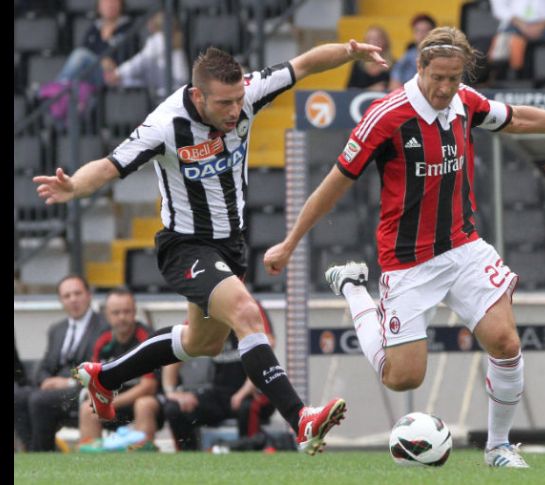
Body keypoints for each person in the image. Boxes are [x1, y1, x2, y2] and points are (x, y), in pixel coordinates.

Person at [263, 26, 545, 468]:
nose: (445, 88)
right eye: (438, 77)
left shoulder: (466, 100)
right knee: (402, 378)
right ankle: (352, 286)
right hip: (408, 262)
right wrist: (290, 243)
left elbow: (517, 118)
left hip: (464, 247)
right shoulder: (386, 117)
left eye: (454, 78)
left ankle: (498, 447)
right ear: (420, 68)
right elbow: (334, 184)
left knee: (504, 341)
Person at [33, 40, 389, 456]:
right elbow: (112, 164)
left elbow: (304, 64)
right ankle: (301, 419)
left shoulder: (248, 92)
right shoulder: (165, 124)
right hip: (185, 246)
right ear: (198, 95)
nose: (235, 111)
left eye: (239, 100)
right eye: (224, 103)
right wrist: (74, 185)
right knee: (246, 314)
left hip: (230, 246)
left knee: (200, 343)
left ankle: (105, 378)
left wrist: (350, 53)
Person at [159, 301, 277, 451]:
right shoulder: (206, 309)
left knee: (247, 407)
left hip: (254, 390)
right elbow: (178, 347)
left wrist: (243, 392)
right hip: (220, 393)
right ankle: (188, 462)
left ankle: (250, 455)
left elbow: (267, 348)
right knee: (174, 409)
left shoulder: (248, 305)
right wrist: (171, 392)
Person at [13, 275, 108, 451]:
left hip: (82, 389)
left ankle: (41, 456)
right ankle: (36, 450)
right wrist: (45, 382)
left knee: (38, 400)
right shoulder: (57, 329)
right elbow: (45, 366)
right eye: (67, 296)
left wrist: (68, 382)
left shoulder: (103, 326)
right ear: (61, 301)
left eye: (77, 293)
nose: (73, 300)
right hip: (53, 390)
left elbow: (98, 366)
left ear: (88, 295)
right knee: (18, 397)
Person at [77, 287, 162, 452]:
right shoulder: (101, 340)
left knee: (144, 405)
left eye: (127, 311)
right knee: (87, 408)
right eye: (116, 313)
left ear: (135, 311)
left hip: (146, 400)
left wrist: (110, 403)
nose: (122, 317)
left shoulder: (146, 338)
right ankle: (91, 464)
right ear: (107, 315)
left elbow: (148, 387)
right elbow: (93, 382)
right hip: (111, 400)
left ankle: (142, 460)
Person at [102, 11, 190, 101]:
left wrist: (117, 73)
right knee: (138, 73)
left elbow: (140, 60)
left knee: (143, 66)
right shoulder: (167, 38)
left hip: (172, 86)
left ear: (154, 23)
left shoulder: (159, 38)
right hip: (176, 87)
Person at [388, 14, 436, 91]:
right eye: (418, 31)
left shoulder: (443, 57)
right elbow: (394, 84)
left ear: (434, 33)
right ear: (413, 34)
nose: (422, 35)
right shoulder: (406, 58)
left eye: (426, 31)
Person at [347, 26, 394, 92]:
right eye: (370, 39)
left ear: (385, 41)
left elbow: (397, 89)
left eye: (377, 39)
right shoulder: (358, 64)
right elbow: (349, 90)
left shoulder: (395, 65)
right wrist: (370, 89)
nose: (374, 42)